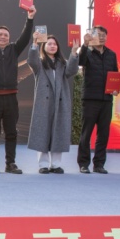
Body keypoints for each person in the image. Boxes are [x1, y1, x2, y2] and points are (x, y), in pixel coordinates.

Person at [0, 4, 35, 174]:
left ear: (9, 39)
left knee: (11, 133)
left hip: (10, 98)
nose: (3, 37)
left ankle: (10, 163)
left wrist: (30, 18)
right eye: (0, 35)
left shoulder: (14, 50)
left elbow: (25, 37)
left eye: (6, 35)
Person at [26, 33, 80, 173]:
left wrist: (74, 52)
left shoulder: (62, 63)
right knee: (42, 132)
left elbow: (72, 71)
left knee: (58, 132)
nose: (52, 46)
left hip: (60, 102)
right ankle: (43, 165)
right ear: (44, 47)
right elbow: (31, 61)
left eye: (54, 44)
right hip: (44, 104)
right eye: (49, 44)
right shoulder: (39, 63)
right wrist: (35, 43)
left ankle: (55, 164)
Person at [77, 26, 119, 174]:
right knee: (86, 133)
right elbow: (80, 61)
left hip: (107, 99)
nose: (101, 37)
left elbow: (115, 74)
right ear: (92, 36)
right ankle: (83, 164)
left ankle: (99, 164)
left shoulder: (111, 54)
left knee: (103, 134)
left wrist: (116, 88)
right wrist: (84, 44)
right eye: (98, 35)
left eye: (103, 35)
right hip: (90, 99)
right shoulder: (87, 52)